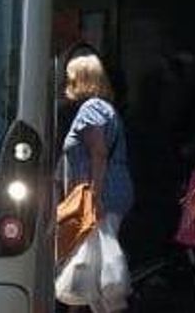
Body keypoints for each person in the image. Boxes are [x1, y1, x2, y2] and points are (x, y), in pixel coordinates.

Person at [60, 52, 133, 311]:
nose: (64, 83)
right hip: (109, 192)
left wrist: (93, 196)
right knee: (96, 270)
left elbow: (98, 152)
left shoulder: (91, 108)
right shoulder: (104, 107)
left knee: (102, 275)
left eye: (69, 78)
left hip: (101, 194)